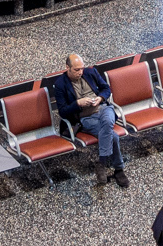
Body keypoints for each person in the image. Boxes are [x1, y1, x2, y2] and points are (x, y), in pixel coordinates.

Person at [51, 53, 126, 188]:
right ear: (67, 67)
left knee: (108, 122)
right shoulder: (60, 84)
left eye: (82, 69)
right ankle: (119, 169)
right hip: (86, 118)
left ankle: (102, 163)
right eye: (76, 70)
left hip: (103, 109)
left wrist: (100, 98)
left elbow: (106, 89)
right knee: (113, 136)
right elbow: (62, 111)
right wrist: (78, 103)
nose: (80, 72)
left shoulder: (91, 72)